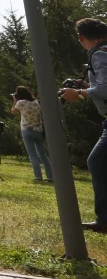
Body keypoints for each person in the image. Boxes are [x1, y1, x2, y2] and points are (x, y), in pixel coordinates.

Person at [60, 18, 107, 233]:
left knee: (97, 162)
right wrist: (88, 86)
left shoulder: (99, 54)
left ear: (80, 38)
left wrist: (79, 92)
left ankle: (104, 221)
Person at [12, 85, 52, 183]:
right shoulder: (36, 102)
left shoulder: (21, 102)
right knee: (43, 156)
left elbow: (13, 111)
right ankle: (50, 176)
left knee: (32, 155)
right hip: (37, 130)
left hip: (26, 130)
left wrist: (15, 100)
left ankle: (38, 176)